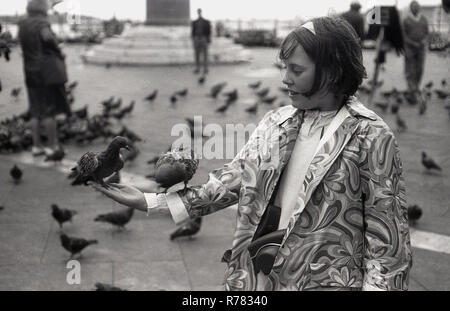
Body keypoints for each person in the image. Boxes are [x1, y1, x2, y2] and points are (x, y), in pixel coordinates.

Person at [92, 17, 412, 291]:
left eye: (296, 70)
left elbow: (389, 249)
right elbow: (228, 185)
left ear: (332, 71)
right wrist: (151, 202)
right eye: (285, 67)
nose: (285, 78)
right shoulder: (276, 122)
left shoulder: (372, 136)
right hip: (255, 281)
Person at [18, 0, 70, 156]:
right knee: (49, 111)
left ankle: (36, 146)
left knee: (34, 110)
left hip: (29, 70)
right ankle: (51, 147)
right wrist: (58, 49)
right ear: (41, 6)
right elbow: (47, 38)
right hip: (44, 71)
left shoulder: (22, 23)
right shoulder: (41, 22)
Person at [402, 1, 429, 105]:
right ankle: (411, 91)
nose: (416, 9)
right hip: (409, 49)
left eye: (417, 7)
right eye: (414, 7)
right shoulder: (406, 20)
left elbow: (427, 33)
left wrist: (424, 40)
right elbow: (403, 35)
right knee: (410, 70)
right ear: (410, 8)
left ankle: (416, 87)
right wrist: (412, 43)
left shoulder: (423, 19)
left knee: (419, 69)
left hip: (421, 49)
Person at [191, 8, 211, 75]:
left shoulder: (206, 21)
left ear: (201, 12)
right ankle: (197, 68)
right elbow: (193, 31)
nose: (199, 13)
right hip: (197, 38)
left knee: (205, 54)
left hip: (203, 38)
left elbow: (209, 31)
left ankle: (205, 68)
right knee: (197, 54)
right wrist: (193, 39)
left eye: (199, 11)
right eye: (198, 12)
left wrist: (208, 39)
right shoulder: (194, 22)